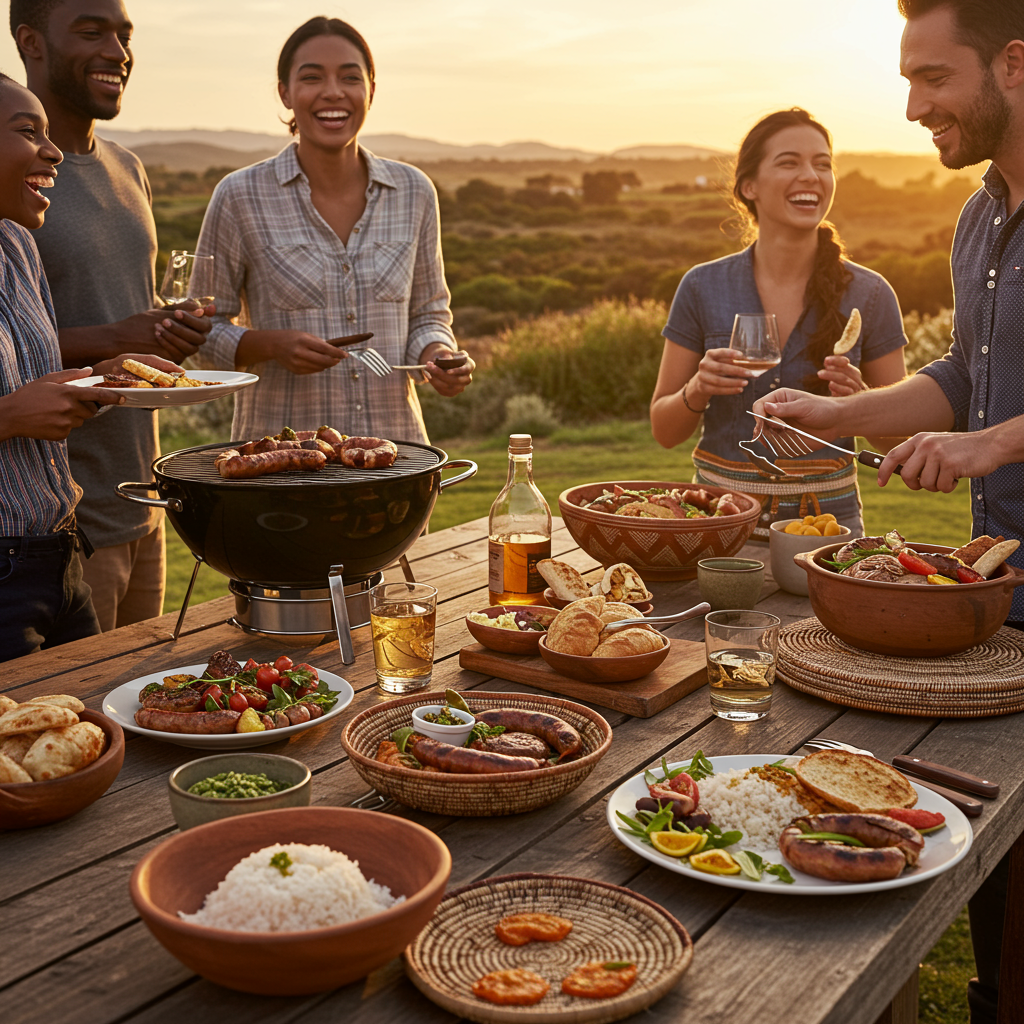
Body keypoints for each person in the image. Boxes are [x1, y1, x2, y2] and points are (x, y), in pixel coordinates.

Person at [754, 5, 1024, 1020]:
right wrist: (836, 410)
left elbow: (982, 419)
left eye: (933, 79)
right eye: (907, 81)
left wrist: (991, 443)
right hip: (999, 589)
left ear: (1012, 62)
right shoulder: (979, 215)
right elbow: (965, 375)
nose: (913, 108)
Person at [10, 0, 215, 631]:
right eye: (92, 32)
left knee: (132, 713)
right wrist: (115, 336)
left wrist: (162, 332)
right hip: (57, 518)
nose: (117, 52)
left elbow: (112, 313)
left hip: (142, 496)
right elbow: (20, 346)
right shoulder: (16, 185)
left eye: (124, 35)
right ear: (31, 42)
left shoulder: (128, 167)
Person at [193, 16, 473, 444]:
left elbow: (429, 315)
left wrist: (438, 356)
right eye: (311, 77)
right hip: (279, 463)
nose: (333, 92)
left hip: (396, 460)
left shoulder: (413, 191)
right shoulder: (240, 196)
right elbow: (200, 330)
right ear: (285, 93)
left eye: (349, 77)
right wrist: (270, 345)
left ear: (371, 91)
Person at [650, 108, 908, 540]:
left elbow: (899, 445)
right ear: (749, 185)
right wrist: (698, 388)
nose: (811, 175)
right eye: (789, 162)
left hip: (828, 531)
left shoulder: (871, 294)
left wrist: (861, 406)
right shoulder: (701, 286)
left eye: (823, 164)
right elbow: (664, 430)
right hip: (716, 526)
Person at [0, 71, 177, 661]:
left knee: (100, 734)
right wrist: (6, 418)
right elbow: (14, 407)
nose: (52, 152)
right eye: (28, 132)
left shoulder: (19, 244)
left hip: (61, 552)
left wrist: (108, 371)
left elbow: (34, 376)